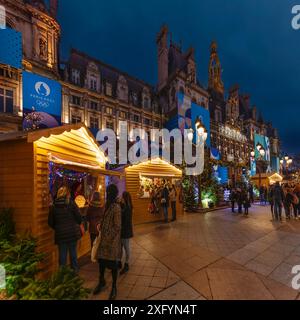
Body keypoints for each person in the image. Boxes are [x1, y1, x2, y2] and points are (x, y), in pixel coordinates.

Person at [93, 184, 121, 300]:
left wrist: (108, 237)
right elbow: (103, 219)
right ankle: (101, 281)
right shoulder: (106, 205)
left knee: (113, 265)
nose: (107, 194)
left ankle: (114, 287)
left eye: (108, 193)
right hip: (103, 241)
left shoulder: (116, 208)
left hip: (111, 243)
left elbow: (117, 226)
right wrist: (100, 224)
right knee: (101, 263)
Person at [48, 186, 82, 272]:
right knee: (73, 254)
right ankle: (75, 273)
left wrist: (58, 227)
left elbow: (50, 222)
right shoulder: (72, 204)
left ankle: (62, 276)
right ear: (67, 194)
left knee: (62, 256)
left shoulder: (54, 206)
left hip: (60, 234)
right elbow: (79, 218)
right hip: (72, 233)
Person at [119, 191, 133, 275]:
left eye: (122, 197)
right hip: (125, 230)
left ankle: (126, 263)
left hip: (125, 230)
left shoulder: (127, 208)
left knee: (126, 247)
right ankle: (120, 262)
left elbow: (125, 220)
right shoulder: (126, 206)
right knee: (121, 246)